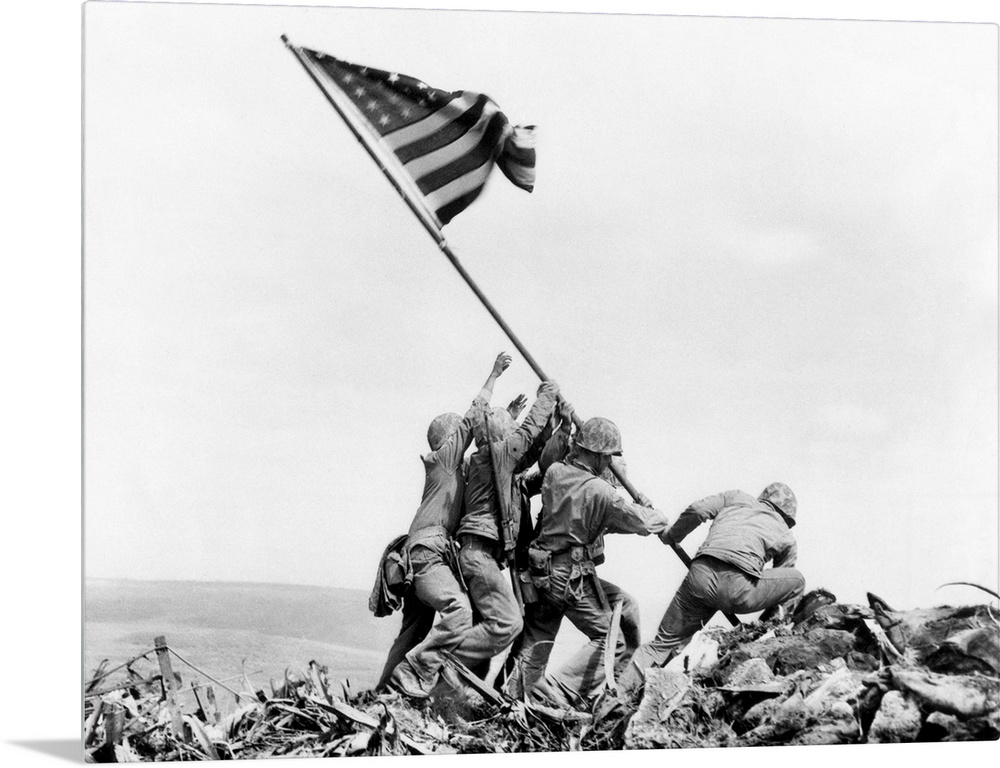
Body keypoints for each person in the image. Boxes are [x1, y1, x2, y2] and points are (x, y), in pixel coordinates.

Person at [507, 417, 671, 706]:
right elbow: (644, 523)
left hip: (541, 572)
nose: (609, 461)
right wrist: (653, 512)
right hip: (569, 576)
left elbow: (601, 519)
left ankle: (514, 698)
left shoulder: (556, 473)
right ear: (595, 454)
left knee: (538, 638)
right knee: (612, 640)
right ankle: (556, 691)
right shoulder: (602, 492)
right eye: (607, 456)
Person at [383, 352, 512, 698]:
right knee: (459, 611)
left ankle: (385, 694)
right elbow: (472, 420)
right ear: (448, 439)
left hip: (424, 555)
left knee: (412, 631)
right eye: (458, 436)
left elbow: (487, 454)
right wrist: (493, 375)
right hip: (427, 554)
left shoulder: (454, 472)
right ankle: (418, 674)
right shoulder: (441, 461)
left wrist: (505, 421)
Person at [617, 482, 805, 695]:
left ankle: (617, 694)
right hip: (739, 589)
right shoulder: (787, 536)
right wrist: (763, 626)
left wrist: (672, 535)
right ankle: (765, 637)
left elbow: (698, 510)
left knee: (661, 644)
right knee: (796, 581)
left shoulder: (736, 497)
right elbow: (778, 589)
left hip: (699, 579)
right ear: (787, 516)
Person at [448, 379, 562, 675]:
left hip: (482, 556)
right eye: (509, 431)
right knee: (507, 623)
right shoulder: (493, 457)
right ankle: (440, 664)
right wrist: (546, 397)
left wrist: (554, 426)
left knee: (484, 636)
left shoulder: (499, 467)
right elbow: (525, 437)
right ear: (501, 436)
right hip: (479, 556)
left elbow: (532, 452)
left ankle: (457, 688)